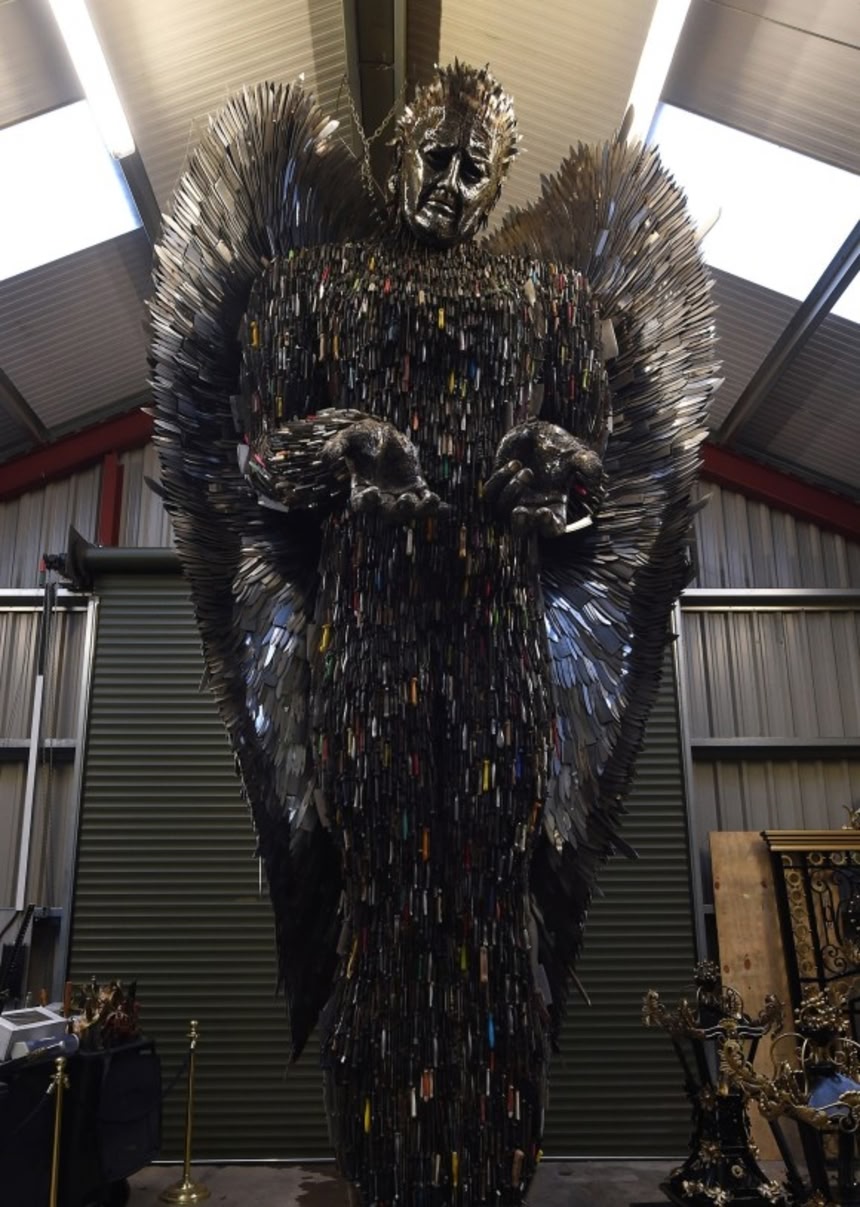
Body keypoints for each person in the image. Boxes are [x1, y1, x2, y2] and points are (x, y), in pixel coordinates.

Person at [150, 62, 716, 1206]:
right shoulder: (310, 288)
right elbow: (257, 466)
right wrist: (343, 445)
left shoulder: (554, 302)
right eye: (434, 157)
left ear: (498, 177)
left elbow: (594, 481)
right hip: (364, 651)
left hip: (500, 655)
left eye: (474, 167)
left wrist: (561, 474)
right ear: (390, 150)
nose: (451, 184)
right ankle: (381, 1166)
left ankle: (492, 1165)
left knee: (496, 901)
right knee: (374, 897)